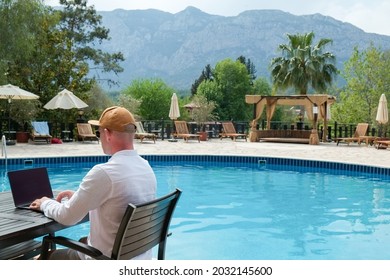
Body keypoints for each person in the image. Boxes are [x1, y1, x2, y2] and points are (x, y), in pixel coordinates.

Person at [30, 106, 157, 260]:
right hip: (137, 258)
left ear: (107, 133)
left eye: (99, 133)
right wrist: (79, 197)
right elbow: (117, 204)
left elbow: (67, 217)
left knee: (41, 258)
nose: (99, 138)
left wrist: (45, 203)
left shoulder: (104, 173)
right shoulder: (146, 168)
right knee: (82, 241)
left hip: (104, 260)